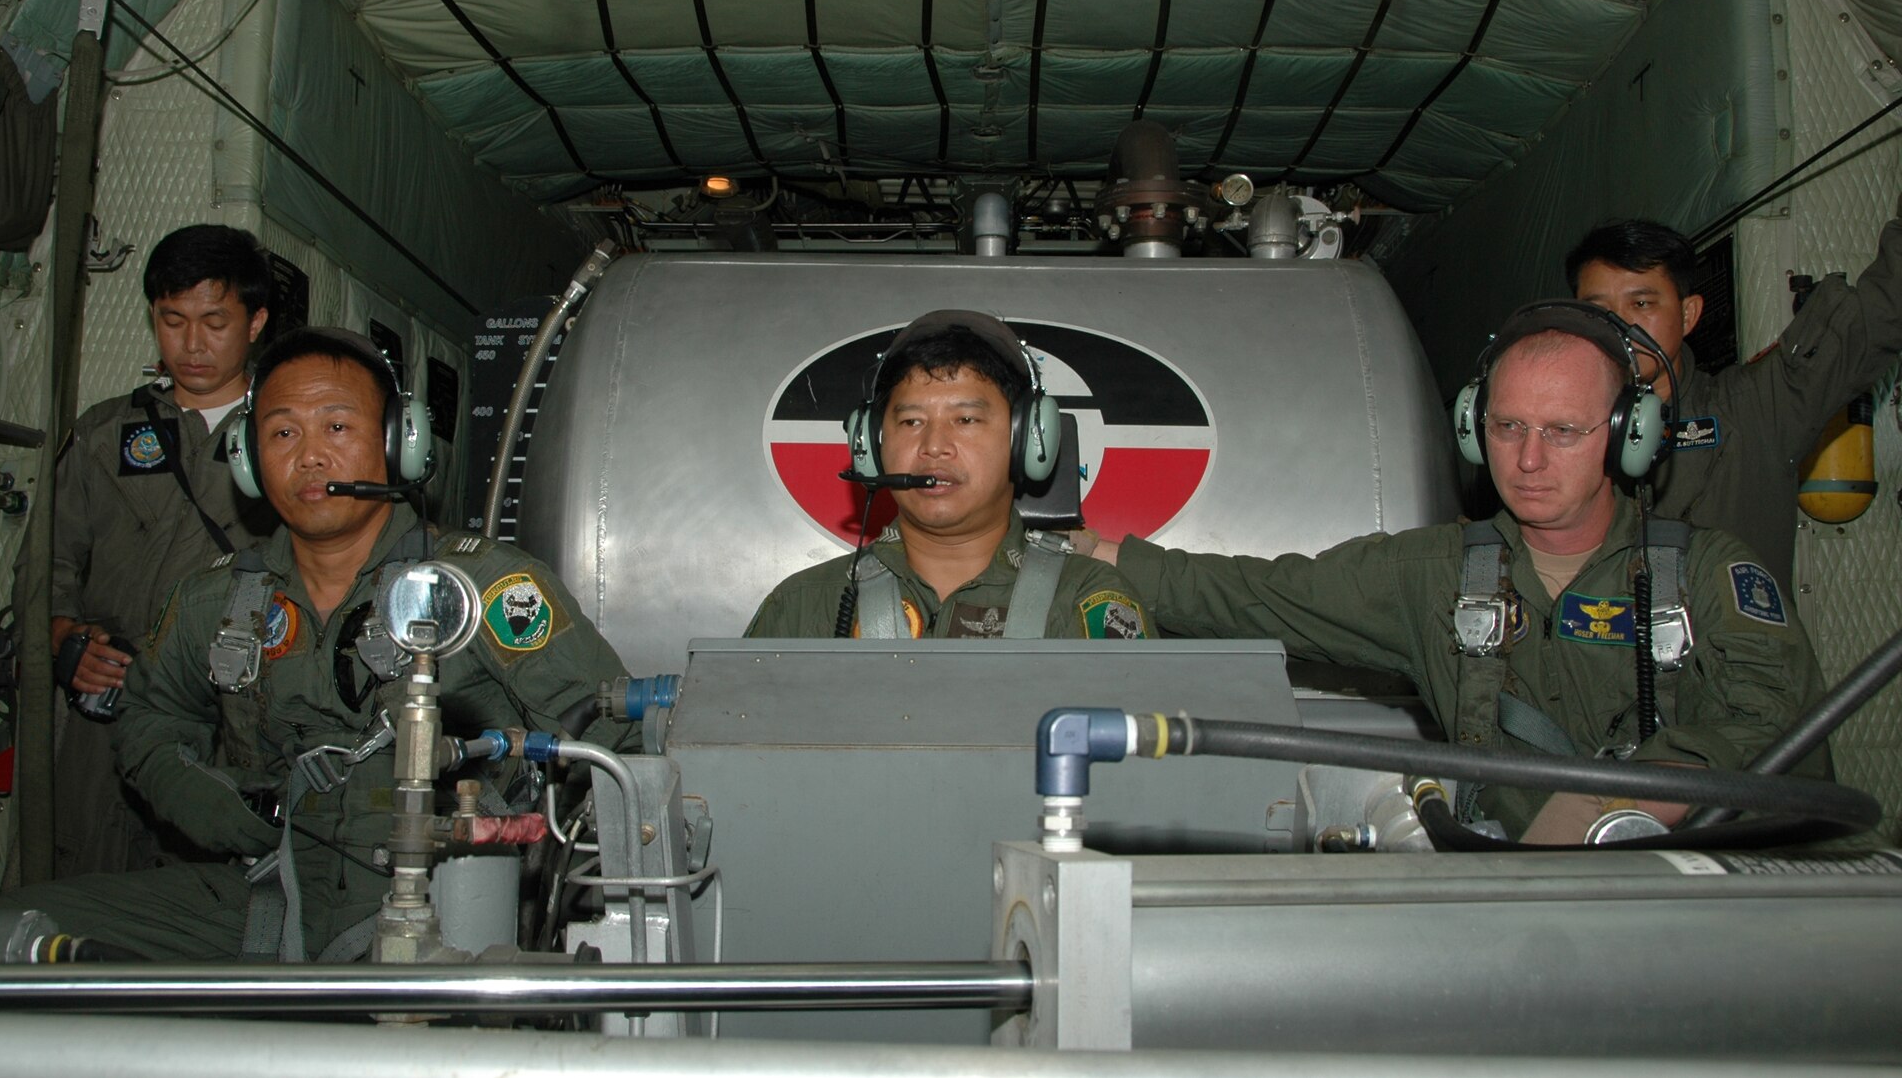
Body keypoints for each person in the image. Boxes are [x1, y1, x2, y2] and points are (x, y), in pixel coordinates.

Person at [0, 327, 631, 962]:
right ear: (247, 458)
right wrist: (228, 812)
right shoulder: (216, 601)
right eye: (283, 434)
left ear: (398, 444)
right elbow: (150, 724)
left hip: (451, 904)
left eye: (337, 426)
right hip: (268, 888)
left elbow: (613, 745)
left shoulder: (488, 590)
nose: (311, 456)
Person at [1095, 303, 1825, 843]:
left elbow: (1773, 723)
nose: (1529, 460)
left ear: (1631, 436)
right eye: (1508, 428)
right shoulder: (1435, 573)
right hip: (1512, 904)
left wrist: (1616, 806)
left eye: (1564, 432)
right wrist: (1090, 553)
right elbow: (1257, 595)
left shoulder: (1708, 573)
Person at [29, 223, 279, 876]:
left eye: (213, 322)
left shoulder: (288, 444)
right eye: (172, 321)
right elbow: (45, 570)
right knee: (82, 892)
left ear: (255, 323)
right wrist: (65, 639)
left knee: (207, 907)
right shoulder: (106, 436)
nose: (190, 344)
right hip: (105, 715)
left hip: (226, 719)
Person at [745, 310, 1156, 641]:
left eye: (966, 418)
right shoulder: (803, 605)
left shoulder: (1088, 600)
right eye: (910, 422)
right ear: (870, 445)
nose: (934, 445)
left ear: (1026, 439)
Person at [1566, 200, 1902, 587]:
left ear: (1688, 314)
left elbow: (1878, 319)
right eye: (1598, 310)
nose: (1621, 325)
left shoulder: (1753, 406)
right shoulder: (1550, 432)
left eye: (1641, 303)